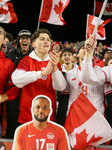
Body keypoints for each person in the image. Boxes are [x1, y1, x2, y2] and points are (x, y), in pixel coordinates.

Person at [12, 28, 66, 125]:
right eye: (42, 39)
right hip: (28, 115)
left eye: (48, 39)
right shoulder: (27, 60)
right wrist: (42, 73)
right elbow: (16, 80)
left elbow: (61, 87)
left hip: (48, 117)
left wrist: (54, 70)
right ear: (34, 44)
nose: (46, 41)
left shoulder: (54, 61)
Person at [5, 30, 33, 139]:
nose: (25, 40)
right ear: (18, 40)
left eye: (27, 38)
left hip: (29, 92)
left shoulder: (34, 54)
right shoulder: (12, 53)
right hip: (14, 92)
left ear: (31, 41)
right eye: (22, 38)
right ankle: (9, 144)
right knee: (12, 119)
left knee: (27, 120)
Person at [0, 26, 19, 137]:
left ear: (4, 40)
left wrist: (3, 97)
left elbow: (14, 87)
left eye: (0, 32)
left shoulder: (8, 64)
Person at [56, 48, 77, 126]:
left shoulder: (79, 71)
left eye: (69, 55)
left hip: (75, 100)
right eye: (64, 55)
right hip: (62, 100)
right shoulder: (58, 71)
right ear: (61, 58)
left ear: (73, 57)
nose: (67, 57)